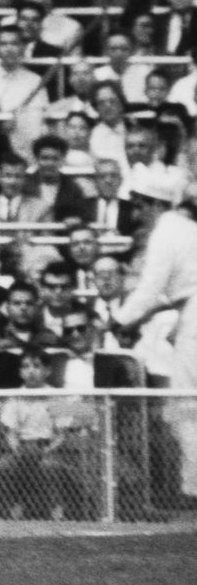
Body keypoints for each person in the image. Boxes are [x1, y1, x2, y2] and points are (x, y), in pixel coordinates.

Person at [109, 169, 197, 498]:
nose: (135, 213)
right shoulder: (188, 228)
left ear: (151, 204)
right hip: (189, 310)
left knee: (188, 403)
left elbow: (150, 289)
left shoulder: (165, 232)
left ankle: (193, 489)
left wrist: (119, 321)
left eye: (138, 205)